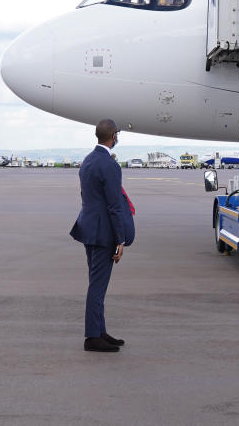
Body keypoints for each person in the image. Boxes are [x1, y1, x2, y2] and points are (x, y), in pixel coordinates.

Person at [69, 119, 135, 352]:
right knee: (97, 287)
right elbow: (114, 206)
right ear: (114, 137)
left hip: (89, 229)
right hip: (103, 234)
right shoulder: (110, 165)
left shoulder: (87, 161)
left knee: (96, 283)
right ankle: (91, 338)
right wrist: (120, 239)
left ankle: (99, 331)